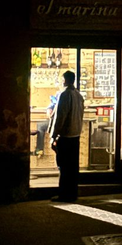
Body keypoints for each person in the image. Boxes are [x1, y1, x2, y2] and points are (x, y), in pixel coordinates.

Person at [50, 70, 84, 202]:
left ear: (65, 80)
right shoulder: (78, 95)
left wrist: (54, 135)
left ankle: (64, 195)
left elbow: (60, 117)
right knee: (73, 168)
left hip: (66, 136)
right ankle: (72, 194)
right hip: (75, 136)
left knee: (64, 167)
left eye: (62, 79)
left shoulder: (64, 95)